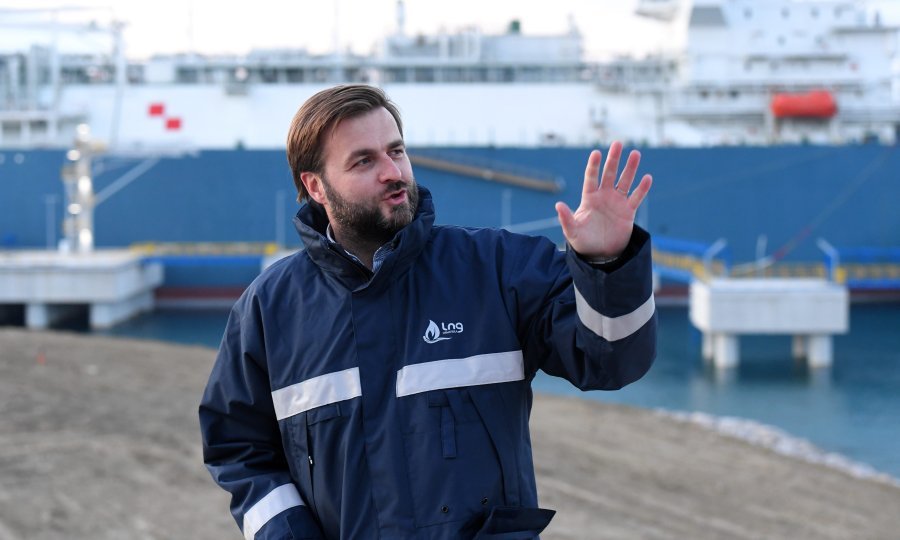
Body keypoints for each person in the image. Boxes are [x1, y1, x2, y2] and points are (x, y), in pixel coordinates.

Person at [200, 84, 657, 540]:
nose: (393, 172)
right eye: (364, 161)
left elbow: (609, 361)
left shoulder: (497, 270)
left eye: (396, 151)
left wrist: (606, 265)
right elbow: (239, 450)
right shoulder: (269, 310)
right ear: (315, 186)